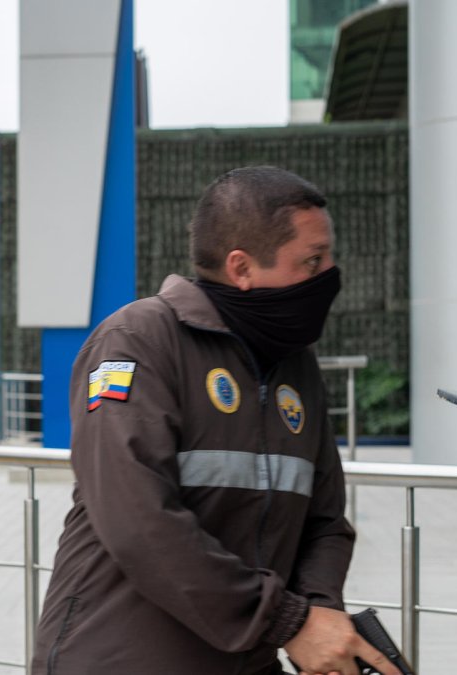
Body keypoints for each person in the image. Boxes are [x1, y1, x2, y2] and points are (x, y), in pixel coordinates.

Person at [32, 167, 401, 675]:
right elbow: (140, 522)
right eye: (312, 261)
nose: (329, 276)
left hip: (244, 660)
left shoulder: (295, 364)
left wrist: (319, 614)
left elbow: (325, 519)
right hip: (119, 659)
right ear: (241, 267)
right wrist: (291, 623)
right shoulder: (136, 342)